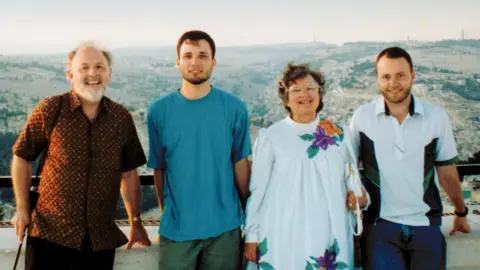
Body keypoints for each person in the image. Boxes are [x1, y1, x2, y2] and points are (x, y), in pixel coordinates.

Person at [10, 41, 151, 270]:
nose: (92, 73)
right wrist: (23, 208)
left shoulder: (121, 118)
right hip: (49, 235)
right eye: (84, 67)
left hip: (99, 240)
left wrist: (135, 221)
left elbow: (129, 172)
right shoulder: (51, 108)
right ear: (70, 74)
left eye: (99, 67)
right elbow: (21, 156)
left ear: (109, 74)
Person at [350, 46, 472, 270]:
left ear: (412, 76)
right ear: (377, 79)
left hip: (426, 223)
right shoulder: (362, 118)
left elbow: (446, 171)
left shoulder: (436, 117)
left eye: (400, 75)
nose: (393, 83)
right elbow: (348, 169)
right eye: (386, 76)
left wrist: (460, 211)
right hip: (379, 224)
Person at [242, 63, 368, 270]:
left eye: (311, 88)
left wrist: (360, 198)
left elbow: (353, 182)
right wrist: (252, 234)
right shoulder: (271, 137)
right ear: (286, 97)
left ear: (320, 93)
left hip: (329, 230)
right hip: (282, 232)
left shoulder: (341, 135)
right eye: (296, 90)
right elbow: (259, 190)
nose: (305, 95)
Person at [146, 30, 252, 270]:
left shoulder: (234, 108)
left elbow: (240, 165)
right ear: (178, 62)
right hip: (177, 231)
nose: (195, 62)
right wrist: (169, 213)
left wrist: (250, 215)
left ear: (213, 62)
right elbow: (159, 168)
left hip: (225, 229)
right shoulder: (159, 112)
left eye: (203, 55)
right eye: (188, 56)